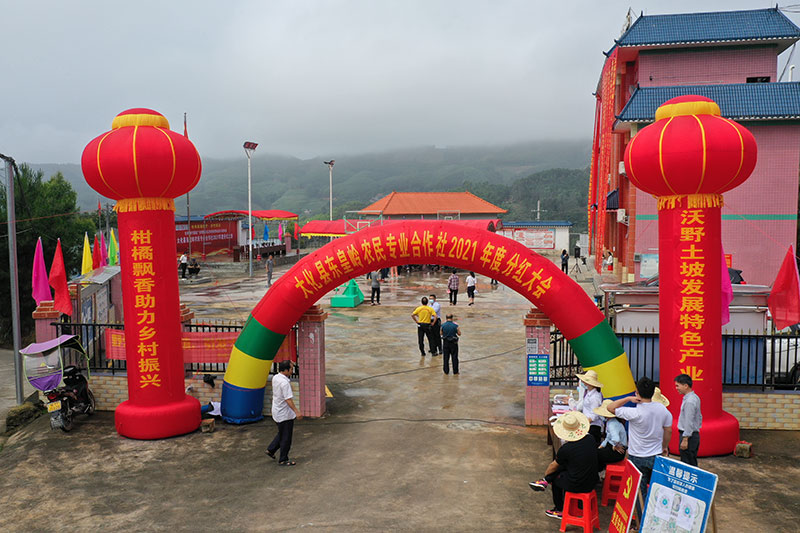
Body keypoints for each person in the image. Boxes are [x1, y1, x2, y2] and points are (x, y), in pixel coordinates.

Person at [529, 411, 599, 520]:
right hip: (593, 480)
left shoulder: (566, 449)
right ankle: (545, 481)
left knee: (556, 479)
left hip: (579, 484)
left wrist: (547, 476)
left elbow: (553, 466)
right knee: (565, 464)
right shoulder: (590, 439)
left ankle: (559, 509)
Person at [606, 376, 673, 490]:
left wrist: (627, 398)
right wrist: (664, 446)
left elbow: (610, 408)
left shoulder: (633, 412)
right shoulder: (663, 409)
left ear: (637, 392)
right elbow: (668, 430)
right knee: (656, 488)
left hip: (637, 455)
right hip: (656, 453)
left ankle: (642, 502)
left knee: (639, 489)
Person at [265, 360, 302, 466]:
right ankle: (283, 459)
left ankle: (271, 449)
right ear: (285, 370)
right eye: (291, 369)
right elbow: (288, 399)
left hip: (277, 411)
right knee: (286, 437)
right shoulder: (284, 383)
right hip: (284, 414)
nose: (292, 371)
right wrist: (297, 412)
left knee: (282, 432)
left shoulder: (276, 377)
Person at [675, 373, 702, 466]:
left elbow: (689, 421)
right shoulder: (694, 397)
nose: (676, 388)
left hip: (689, 437)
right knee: (691, 461)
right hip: (692, 435)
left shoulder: (690, 401)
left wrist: (685, 438)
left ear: (686, 386)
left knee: (687, 464)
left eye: (678, 386)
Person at [570, 370, 604, 444]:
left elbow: (595, 414)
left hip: (593, 426)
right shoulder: (588, 392)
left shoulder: (595, 397)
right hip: (587, 423)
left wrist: (584, 422)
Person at [593, 400, 628, 471]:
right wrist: (601, 446)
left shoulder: (612, 424)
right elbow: (608, 438)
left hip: (617, 452)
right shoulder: (611, 422)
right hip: (612, 447)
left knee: (594, 454)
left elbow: (616, 439)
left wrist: (614, 446)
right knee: (595, 449)